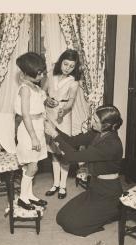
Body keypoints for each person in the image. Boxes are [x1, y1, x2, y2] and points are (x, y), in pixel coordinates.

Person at [44, 105, 124, 236]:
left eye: (96, 121)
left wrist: (54, 135)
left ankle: (114, 211)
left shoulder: (111, 144)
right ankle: (103, 214)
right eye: (93, 117)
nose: (92, 122)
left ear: (107, 125)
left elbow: (71, 157)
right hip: (95, 188)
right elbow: (71, 141)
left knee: (73, 225)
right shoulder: (97, 133)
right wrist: (54, 128)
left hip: (108, 193)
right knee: (62, 217)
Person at [14, 52, 52, 210]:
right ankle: (23, 197)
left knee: (31, 165)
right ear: (27, 74)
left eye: (43, 72)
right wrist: (34, 138)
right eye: (39, 73)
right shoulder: (25, 90)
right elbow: (26, 115)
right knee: (33, 166)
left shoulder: (35, 87)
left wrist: (48, 100)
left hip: (38, 127)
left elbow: (41, 101)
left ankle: (29, 195)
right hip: (29, 130)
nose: (42, 75)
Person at [43, 49, 82, 199]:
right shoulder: (51, 76)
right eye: (65, 64)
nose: (67, 68)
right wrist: (46, 100)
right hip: (49, 114)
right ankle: (55, 184)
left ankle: (63, 186)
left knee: (63, 151)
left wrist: (63, 111)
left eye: (71, 66)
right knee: (53, 150)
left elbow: (71, 101)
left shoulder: (74, 82)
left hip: (63, 116)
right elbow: (42, 92)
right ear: (61, 62)